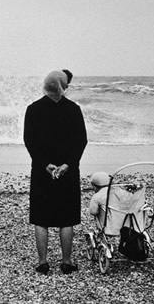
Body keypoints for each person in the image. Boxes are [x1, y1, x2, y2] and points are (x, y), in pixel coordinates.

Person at [23, 70, 88, 275]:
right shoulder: (73, 110)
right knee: (66, 218)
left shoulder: (33, 109)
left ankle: (43, 262)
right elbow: (81, 141)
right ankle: (66, 261)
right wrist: (67, 164)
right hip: (68, 171)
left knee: (41, 217)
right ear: (63, 86)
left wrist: (45, 164)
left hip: (42, 171)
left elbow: (30, 141)